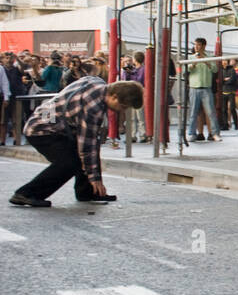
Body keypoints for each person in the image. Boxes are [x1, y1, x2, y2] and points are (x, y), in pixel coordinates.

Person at [9, 77, 144, 207]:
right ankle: (26, 194)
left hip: (50, 121)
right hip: (41, 130)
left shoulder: (96, 82)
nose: (123, 110)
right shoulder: (93, 107)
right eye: (123, 106)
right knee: (69, 162)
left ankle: (88, 192)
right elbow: (86, 145)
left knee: (85, 153)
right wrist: (94, 178)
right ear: (114, 96)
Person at [185, 37, 222, 142]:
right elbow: (186, 69)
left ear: (204, 46)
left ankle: (215, 133)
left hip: (206, 88)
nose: (196, 47)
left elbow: (215, 69)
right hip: (194, 87)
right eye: (195, 45)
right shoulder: (190, 57)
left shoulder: (210, 57)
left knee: (211, 112)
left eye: (198, 45)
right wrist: (194, 63)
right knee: (193, 112)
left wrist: (206, 61)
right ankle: (192, 133)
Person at [220, 58, 238, 131]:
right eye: (223, 61)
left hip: (231, 91)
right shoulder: (221, 70)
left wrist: (225, 80)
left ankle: (236, 124)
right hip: (223, 91)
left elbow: (232, 80)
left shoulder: (232, 70)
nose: (224, 62)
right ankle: (225, 124)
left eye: (225, 61)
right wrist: (224, 80)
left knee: (232, 108)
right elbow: (220, 80)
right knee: (224, 109)